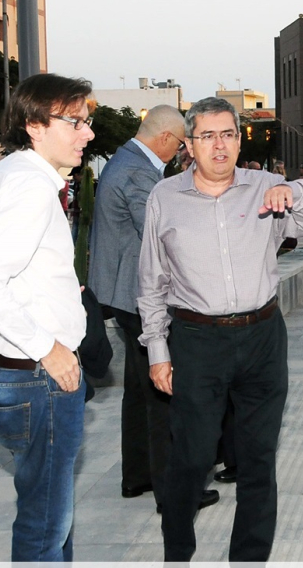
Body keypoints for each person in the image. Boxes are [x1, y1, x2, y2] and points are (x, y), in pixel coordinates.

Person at [137, 97, 303, 563]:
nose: (219, 145)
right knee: (191, 458)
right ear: (189, 144)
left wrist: (296, 192)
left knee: (259, 459)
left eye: (227, 134)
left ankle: (249, 558)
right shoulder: (164, 198)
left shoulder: (266, 186)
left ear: (239, 140)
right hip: (197, 340)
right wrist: (158, 351)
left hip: (262, 336)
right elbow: (151, 282)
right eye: (207, 136)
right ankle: (177, 554)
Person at [0, 74, 95, 561]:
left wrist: (47, 290)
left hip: (20, 378)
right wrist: (48, 347)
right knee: (46, 523)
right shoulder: (30, 187)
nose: (87, 133)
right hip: (40, 380)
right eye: (74, 121)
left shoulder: (2, 174)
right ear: (35, 125)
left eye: (87, 121)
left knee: (48, 511)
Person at [87, 105, 221, 511]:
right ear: (166, 138)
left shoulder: (125, 161)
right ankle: (174, 490)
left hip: (122, 293)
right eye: (183, 145)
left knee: (141, 390)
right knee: (165, 392)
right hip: (138, 295)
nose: (182, 153)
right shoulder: (138, 173)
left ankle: (139, 477)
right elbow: (162, 236)